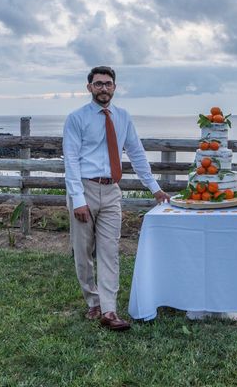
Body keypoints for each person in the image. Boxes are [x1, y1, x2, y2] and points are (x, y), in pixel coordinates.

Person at [63, 65, 171, 331]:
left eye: (108, 83)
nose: (103, 88)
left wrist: (154, 188)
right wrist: (78, 199)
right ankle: (93, 302)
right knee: (84, 252)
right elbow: (71, 161)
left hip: (112, 191)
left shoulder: (123, 117)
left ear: (114, 87)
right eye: (98, 83)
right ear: (89, 88)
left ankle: (109, 311)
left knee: (110, 251)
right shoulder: (76, 118)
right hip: (85, 189)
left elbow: (137, 153)